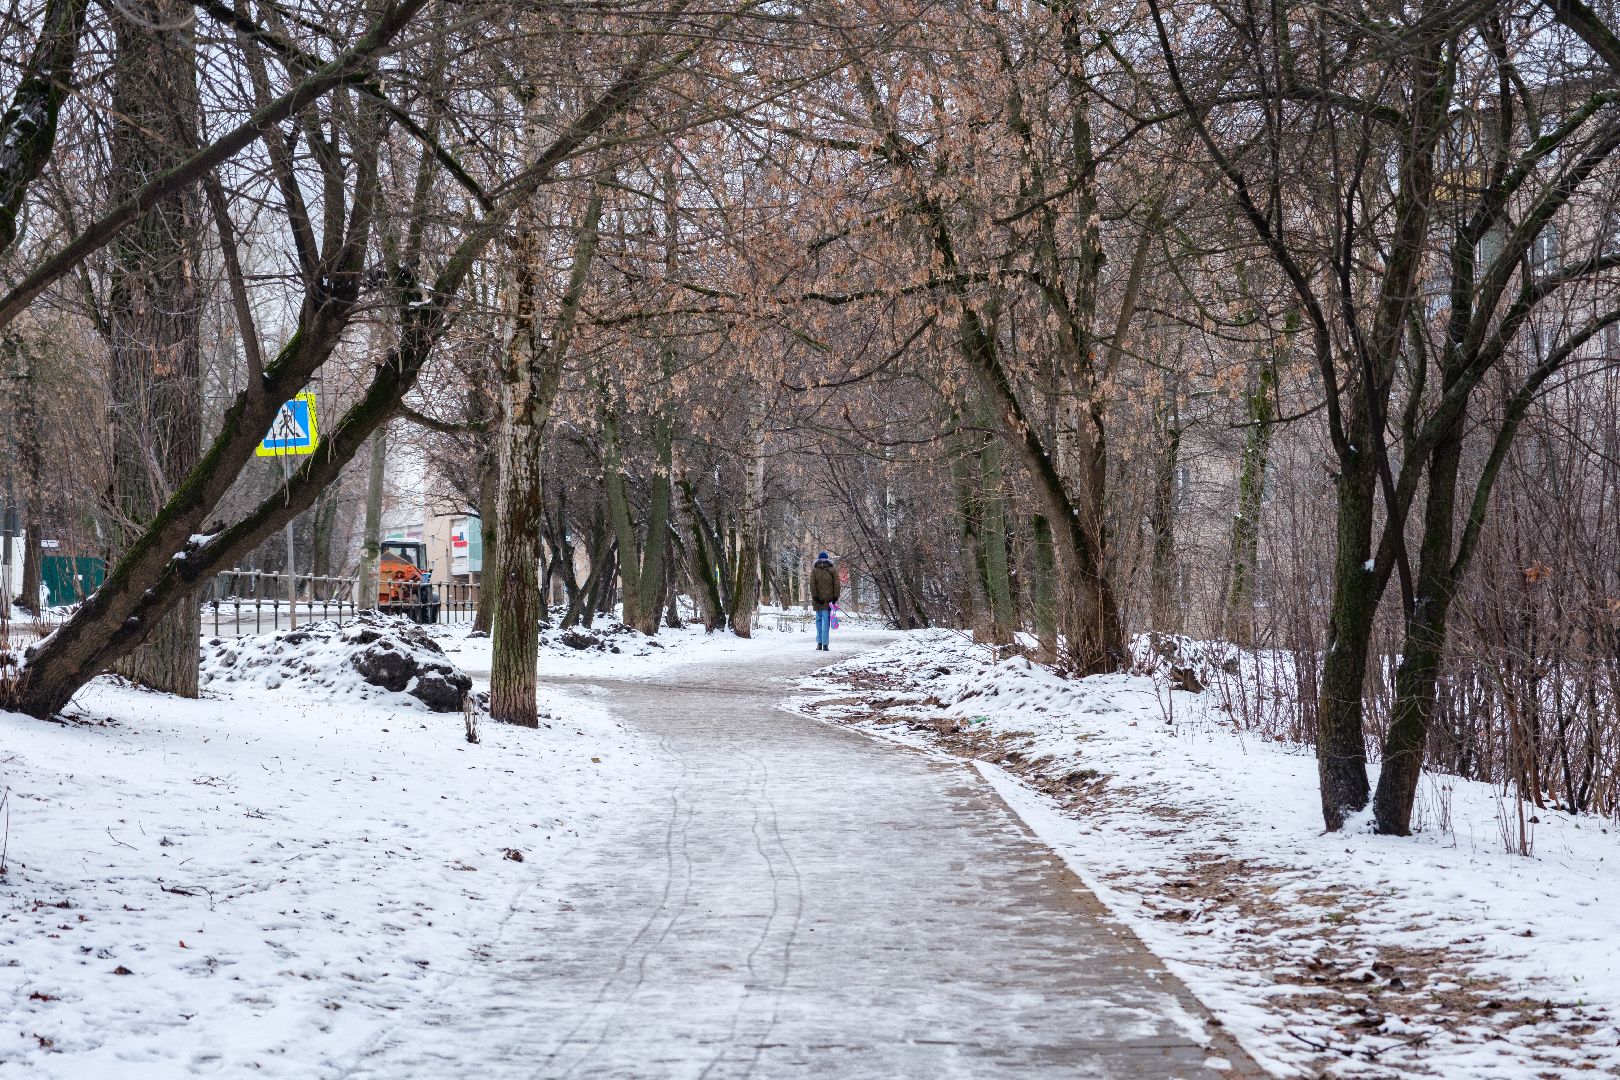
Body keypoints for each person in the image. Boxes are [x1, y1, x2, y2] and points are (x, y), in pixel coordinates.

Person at [809, 551, 841, 651]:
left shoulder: (814, 570)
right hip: (829, 600)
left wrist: (815, 597)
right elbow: (837, 584)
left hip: (818, 600)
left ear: (818, 559)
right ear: (828, 559)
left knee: (818, 621)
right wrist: (835, 597)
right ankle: (825, 645)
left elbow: (812, 585)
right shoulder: (833, 570)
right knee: (826, 622)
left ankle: (819, 643)